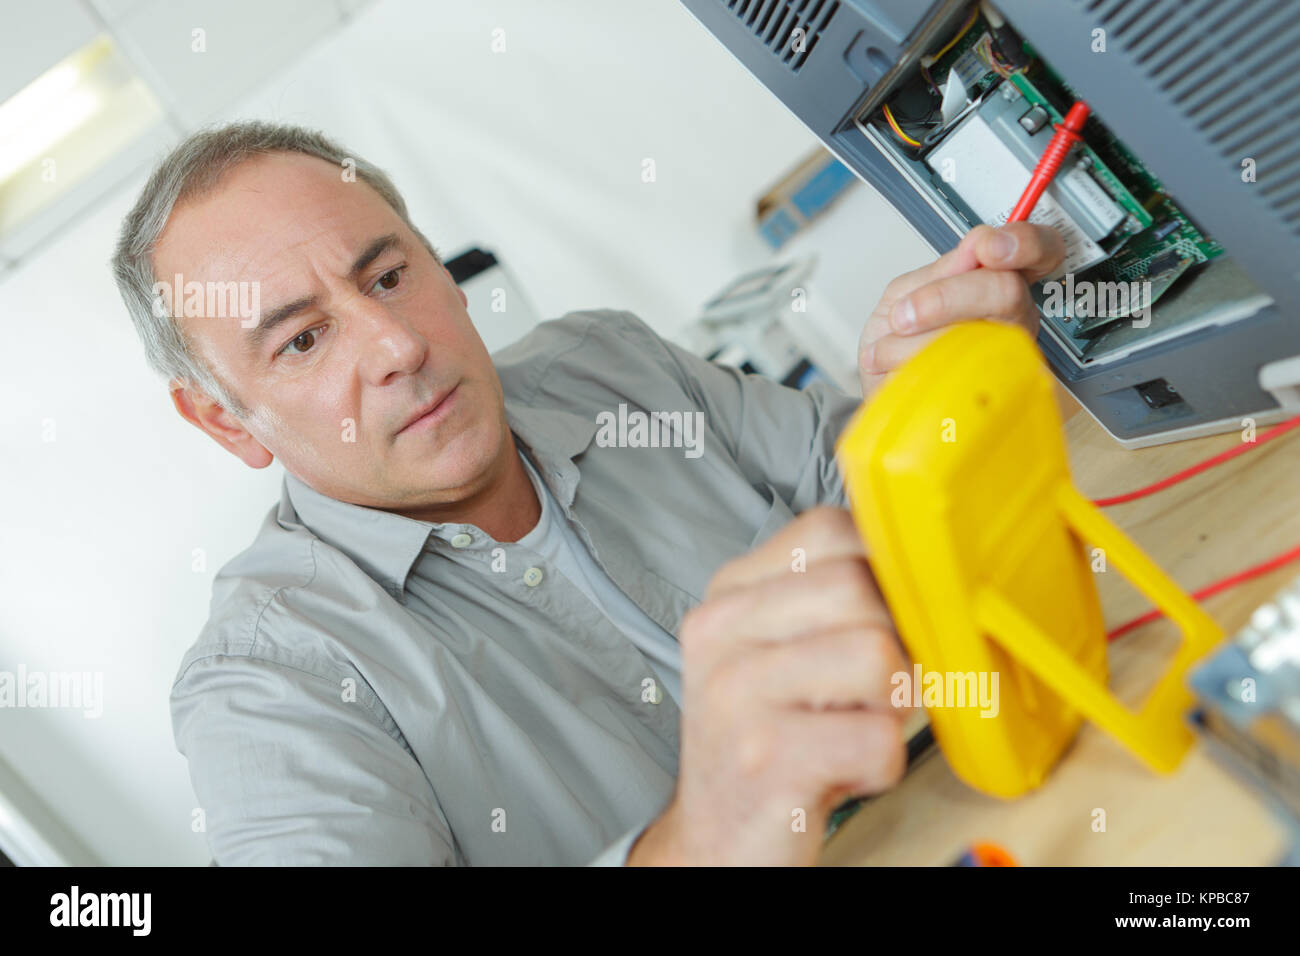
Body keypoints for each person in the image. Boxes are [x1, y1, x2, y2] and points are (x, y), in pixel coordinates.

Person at [111, 121, 1065, 865]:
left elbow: (920, 517)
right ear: (226, 422)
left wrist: (942, 408)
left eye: (392, 275)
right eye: (303, 340)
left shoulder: (613, 367)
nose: (397, 345)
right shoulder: (266, 686)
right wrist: (706, 837)